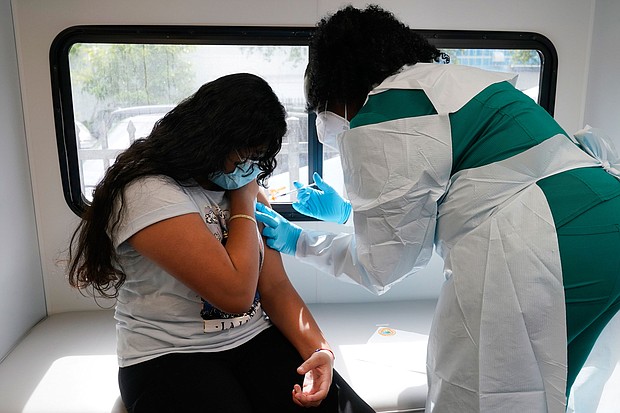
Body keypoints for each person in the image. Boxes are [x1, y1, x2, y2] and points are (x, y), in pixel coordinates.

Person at [254, 5, 620, 413]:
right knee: (575, 384)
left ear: (336, 84)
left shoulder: (382, 114)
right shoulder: (458, 82)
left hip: (546, 244)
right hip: (607, 222)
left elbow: (383, 268)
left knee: (482, 398)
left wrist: (300, 242)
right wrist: (346, 216)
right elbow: (478, 187)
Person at [67, 73, 373, 413]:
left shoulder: (243, 185)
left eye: (256, 157)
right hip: (168, 355)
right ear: (207, 139)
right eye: (241, 156)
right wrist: (244, 200)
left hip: (253, 340)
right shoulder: (147, 192)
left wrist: (319, 350)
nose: (248, 168)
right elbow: (235, 296)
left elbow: (274, 286)